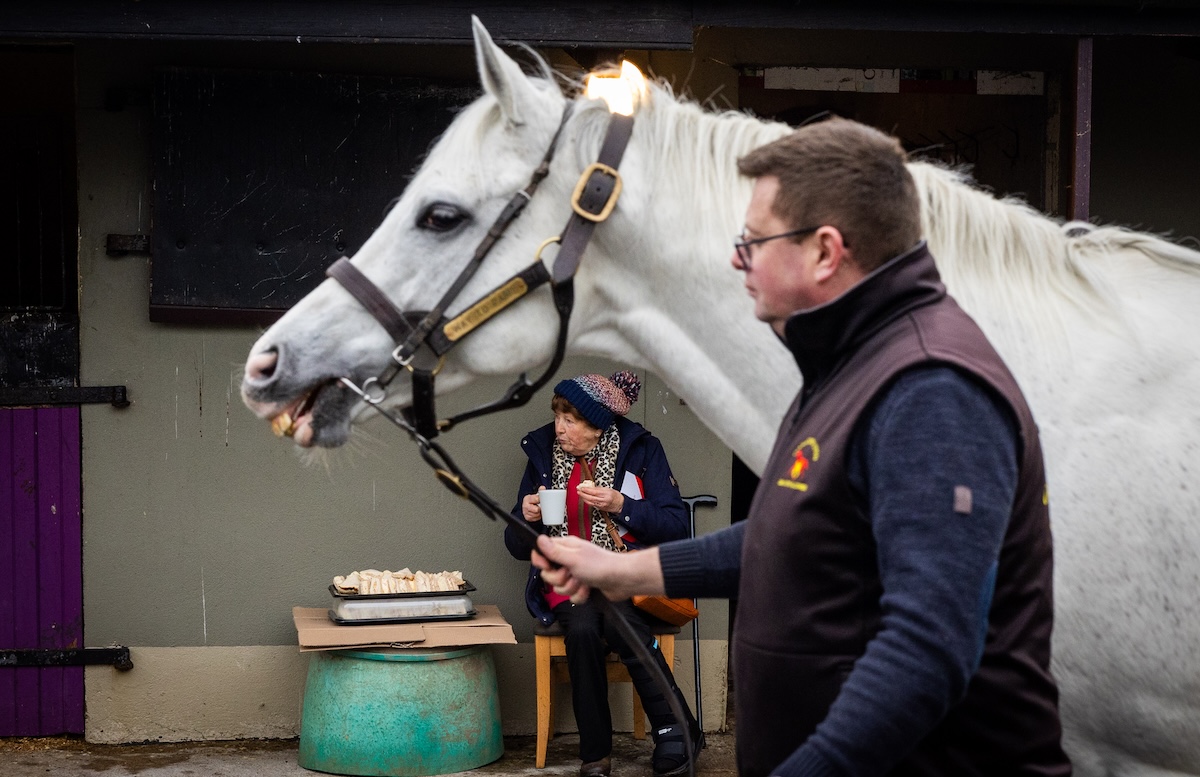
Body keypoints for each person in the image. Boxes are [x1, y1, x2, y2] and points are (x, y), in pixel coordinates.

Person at [532, 118, 1073, 776]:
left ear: (824, 251)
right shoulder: (847, 367)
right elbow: (786, 535)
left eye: (753, 240)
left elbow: (925, 651)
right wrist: (617, 569)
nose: (738, 259)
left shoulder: (931, 390)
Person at [504, 370, 703, 777]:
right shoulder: (543, 455)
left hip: (622, 576)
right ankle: (604, 752)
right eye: (557, 416)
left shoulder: (642, 451)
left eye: (570, 420)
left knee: (615, 616)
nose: (558, 428)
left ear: (599, 426)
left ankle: (672, 732)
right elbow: (515, 547)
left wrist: (620, 505)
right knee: (581, 628)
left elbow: (675, 526)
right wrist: (525, 520)